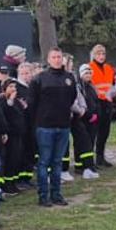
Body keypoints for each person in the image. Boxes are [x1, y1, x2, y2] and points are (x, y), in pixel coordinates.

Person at [29, 49, 78, 207]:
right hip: (45, 127)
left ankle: (56, 194)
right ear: (48, 60)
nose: (57, 60)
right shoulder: (39, 79)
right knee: (44, 162)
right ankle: (43, 196)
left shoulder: (69, 78)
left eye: (59, 57)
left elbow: (72, 98)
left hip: (63, 126)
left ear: (62, 59)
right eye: (54, 57)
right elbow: (32, 103)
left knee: (57, 162)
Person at [88, 44, 116, 167]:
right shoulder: (90, 68)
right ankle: (90, 160)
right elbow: (89, 86)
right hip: (96, 103)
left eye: (103, 54)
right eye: (98, 54)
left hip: (107, 103)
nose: (101, 56)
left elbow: (113, 84)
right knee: (93, 133)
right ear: (94, 55)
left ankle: (100, 157)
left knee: (105, 132)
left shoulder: (109, 68)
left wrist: (113, 93)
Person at [72, 64, 102, 180]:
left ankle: (89, 163)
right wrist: (88, 115)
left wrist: (97, 114)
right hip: (84, 118)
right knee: (82, 143)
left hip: (94, 118)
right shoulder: (80, 87)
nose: (88, 75)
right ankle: (80, 165)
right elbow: (82, 103)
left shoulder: (91, 87)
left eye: (90, 73)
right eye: (86, 73)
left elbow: (96, 101)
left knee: (91, 141)